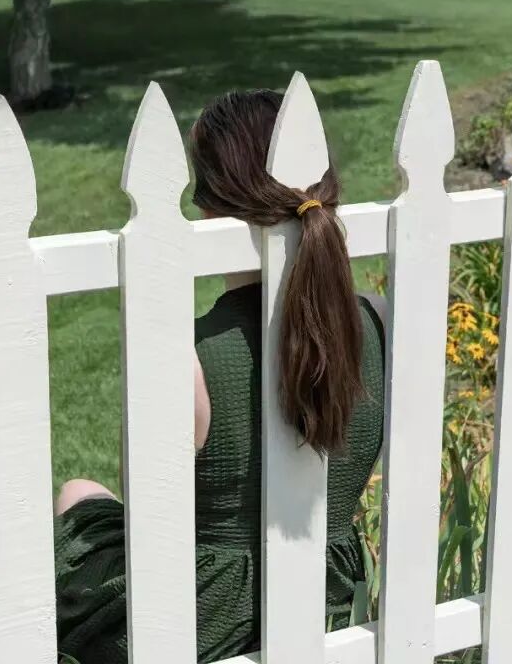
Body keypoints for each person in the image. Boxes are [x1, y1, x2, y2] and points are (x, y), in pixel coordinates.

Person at [52, 89, 386, 664]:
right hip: (330, 600)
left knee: (78, 494)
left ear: (209, 210)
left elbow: (147, 522)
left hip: (202, 622)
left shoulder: (188, 359)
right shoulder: (377, 321)